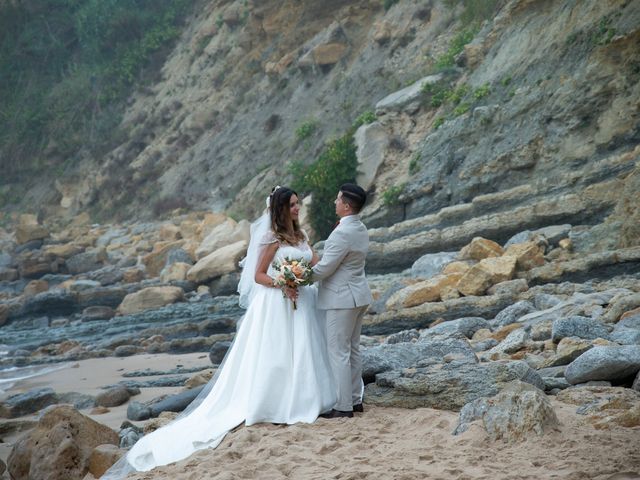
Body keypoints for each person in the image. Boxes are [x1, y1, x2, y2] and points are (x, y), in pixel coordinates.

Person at [102, 186, 336, 478]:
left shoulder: (301, 237)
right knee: (277, 353)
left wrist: (308, 275)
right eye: (291, 205)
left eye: (297, 204)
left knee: (304, 349)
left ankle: (308, 397)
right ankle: (276, 402)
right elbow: (258, 276)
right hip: (276, 303)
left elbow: (316, 263)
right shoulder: (271, 238)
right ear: (279, 209)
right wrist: (283, 282)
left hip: (302, 300)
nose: (297, 208)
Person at [313, 183, 373, 419]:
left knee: (338, 351)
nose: (334, 202)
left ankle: (343, 406)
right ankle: (355, 400)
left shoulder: (341, 233)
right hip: (359, 295)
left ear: (346, 206)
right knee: (353, 349)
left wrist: (298, 278)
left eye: (338, 199)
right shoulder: (361, 227)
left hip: (342, 299)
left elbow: (326, 268)